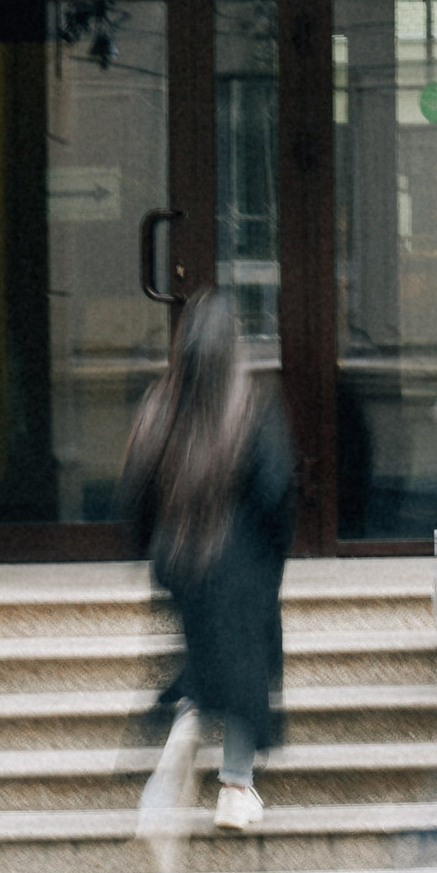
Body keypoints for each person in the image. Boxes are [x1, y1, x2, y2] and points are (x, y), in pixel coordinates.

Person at [118, 290, 297, 833]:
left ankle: (188, 718)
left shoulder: (159, 406)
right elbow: (274, 490)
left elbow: (135, 492)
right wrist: (272, 556)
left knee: (203, 654)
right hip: (238, 559)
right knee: (247, 669)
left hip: (179, 558)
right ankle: (235, 789)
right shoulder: (251, 406)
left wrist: (154, 553)